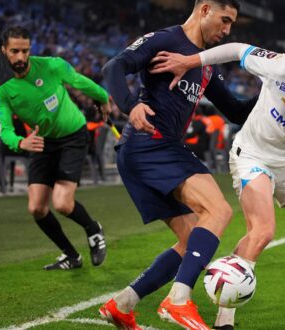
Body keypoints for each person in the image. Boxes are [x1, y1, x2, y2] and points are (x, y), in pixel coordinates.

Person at [149, 34, 285, 330]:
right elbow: (237, 50)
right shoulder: (284, 67)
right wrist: (190, 61)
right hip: (253, 156)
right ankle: (225, 319)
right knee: (262, 231)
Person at [98, 1, 258, 329]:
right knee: (219, 211)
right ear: (204, 9)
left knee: (190, 243)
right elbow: (113, 68)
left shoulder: (205, 63)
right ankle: (178, 300)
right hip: (149, 144)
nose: (227, 31)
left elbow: (236, 111)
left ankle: (123, 304)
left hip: (150, 151)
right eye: (224, 20)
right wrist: (130, 106)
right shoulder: (165, 40)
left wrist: (277, 87)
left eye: (232, 25)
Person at [0, 26, 109, 271]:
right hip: (42, 142)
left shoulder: (52, 66)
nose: (21, 57)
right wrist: (20, 142)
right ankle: (71, 256)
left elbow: (83, 84)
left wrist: (103, 99)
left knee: (63, 204)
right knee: (36, 208)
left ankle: (93, 229)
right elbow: (4, 128)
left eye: (25, 51)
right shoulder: (0, 87)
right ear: (4, 51)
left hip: (72, 136)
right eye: (15, 51)